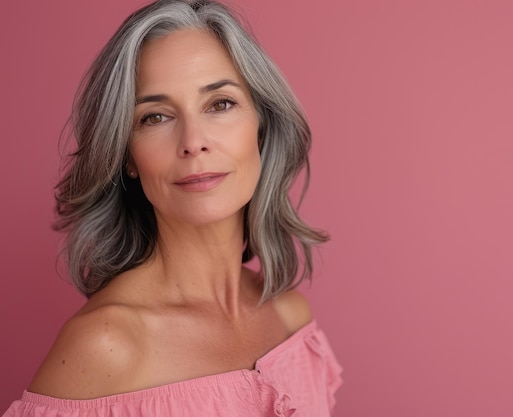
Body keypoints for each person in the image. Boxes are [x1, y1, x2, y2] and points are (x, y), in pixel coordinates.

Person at [3, 0, 342, 415]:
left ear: (262, 125)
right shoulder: (106, 346)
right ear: (127, 155)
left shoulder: (291, 318)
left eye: (219, 104)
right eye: (155, 117)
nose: (193, 141)